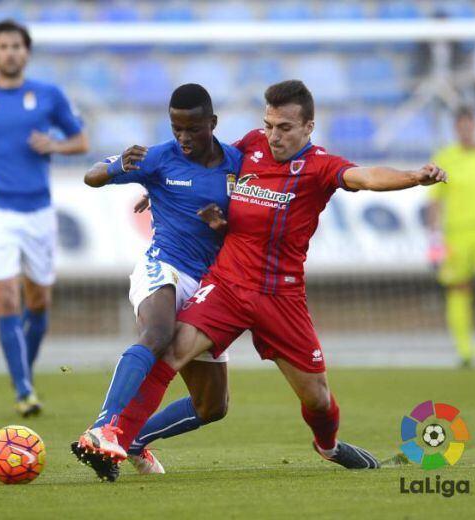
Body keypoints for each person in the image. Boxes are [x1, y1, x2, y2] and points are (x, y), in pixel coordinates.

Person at [80, 80, 447, 479]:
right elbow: (208, 165)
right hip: (227, 284)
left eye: (285, 128)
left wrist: (413, 176)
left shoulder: (319, 166)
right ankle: (112, 436)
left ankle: (328, 446)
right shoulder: (251, 145)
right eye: (269, 124)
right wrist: (166, 192)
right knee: (169, 352)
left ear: (308, 127)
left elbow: (366, 176)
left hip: (281, 297)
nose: (273, 136)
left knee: (318, 399)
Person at [70, 84, 241, 481]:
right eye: (176, 128)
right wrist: (119, 167)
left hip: (210, 286)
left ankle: (130, 440)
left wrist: (224, 224)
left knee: (213, 406)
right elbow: (90, 176)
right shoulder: (157, 157)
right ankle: (104, 427)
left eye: (193, 129)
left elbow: (251, 217)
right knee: (158, 332)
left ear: (212, 124)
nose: (183, 138)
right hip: (164, 267)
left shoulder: (237, 163)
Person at [0, 20, 88, 416]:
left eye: (17, 45)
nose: (11, 52)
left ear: (26, 52)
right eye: (3, 46)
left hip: (39, 211)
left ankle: (23, 374)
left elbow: (81, 141)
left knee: (39, 299)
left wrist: (55, 144)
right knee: (7, 294)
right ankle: (23, 390)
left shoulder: (47, 95)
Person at [428, 107, 475, 367]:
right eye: (461, 125)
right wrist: (434, 238)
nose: (466, 129)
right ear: (456, 128)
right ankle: (464, 350)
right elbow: (434, 201)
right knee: (459, 288)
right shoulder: (445, 158)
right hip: (456, 234)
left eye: (469, 124)